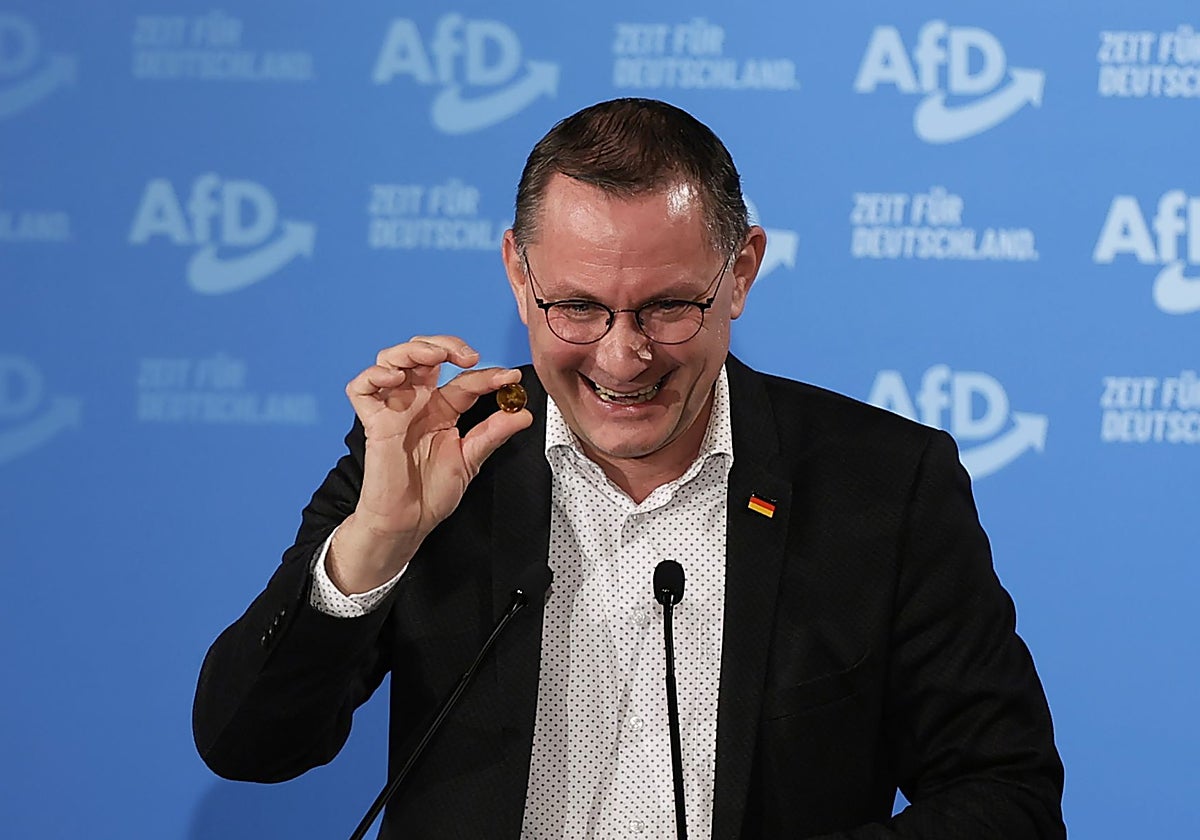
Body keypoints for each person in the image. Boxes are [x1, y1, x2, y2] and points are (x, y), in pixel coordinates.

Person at [193, 98, 1065, 839]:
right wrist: (377, 542)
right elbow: (249, 747)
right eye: (576, 307)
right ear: (516, 272)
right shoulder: (437, 450)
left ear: (741, 275)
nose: (620, 357)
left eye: (667, 308)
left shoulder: (882, 481)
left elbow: (1007, 795)